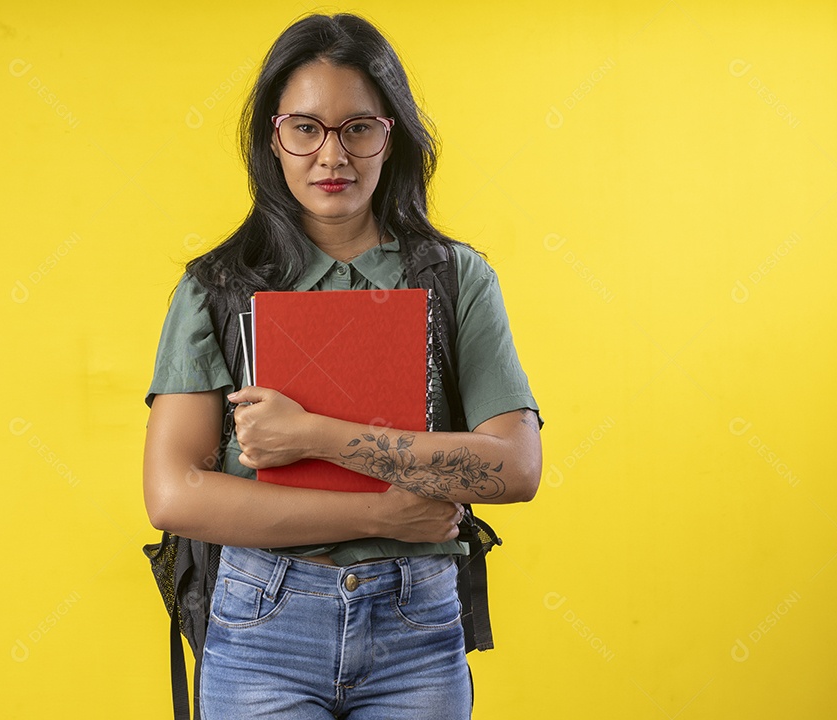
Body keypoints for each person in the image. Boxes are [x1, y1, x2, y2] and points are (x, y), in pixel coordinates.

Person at [144, 12, 542, 719]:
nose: (332, 157)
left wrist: (314, 437)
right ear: (274, 137)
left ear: (392, 135)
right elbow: (174, 495)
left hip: (415, 625)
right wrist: (385, 512)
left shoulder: (456, 280)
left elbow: (514, 468)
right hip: (261, 624)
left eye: (357, 127)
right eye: (306, 128)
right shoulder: (216, 287)